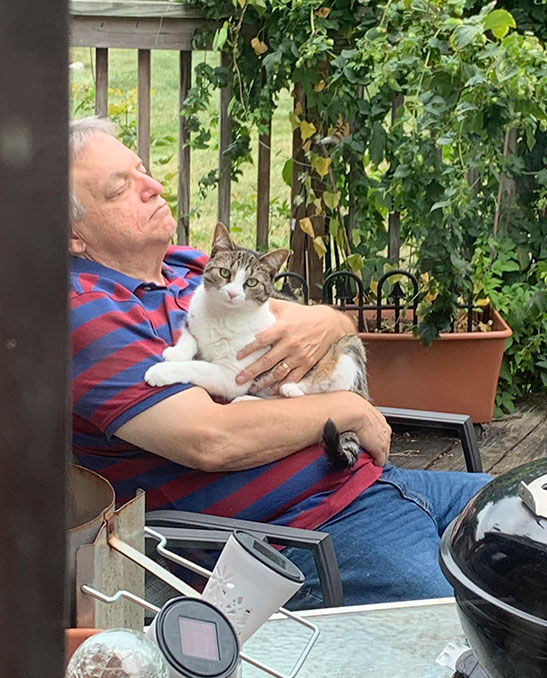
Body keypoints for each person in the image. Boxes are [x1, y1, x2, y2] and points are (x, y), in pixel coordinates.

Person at [69, 116, 490, 607]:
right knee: (460, 621)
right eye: (121, 188)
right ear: (74, 235)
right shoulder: (85, 312)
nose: (152, 187)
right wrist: (351, 411)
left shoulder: (190, 268)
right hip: (296, 537)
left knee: (543, 517)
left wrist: (331, 320)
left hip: (376, 485)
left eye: (143, 170)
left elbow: (322, 330)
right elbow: (213, 440)